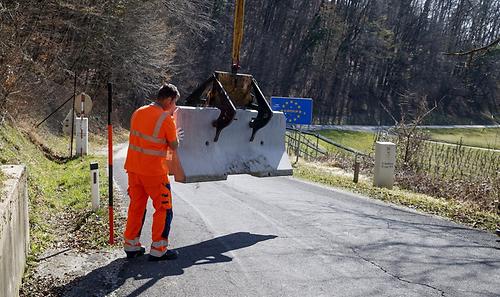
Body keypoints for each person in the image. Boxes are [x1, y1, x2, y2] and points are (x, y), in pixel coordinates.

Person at [123, 83, 183, 261]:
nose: (174, 108)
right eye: (174, 104)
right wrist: (176, 133)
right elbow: (174, 145)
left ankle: (131, 245)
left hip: (133, 169)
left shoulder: (138, 111)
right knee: (164, 208)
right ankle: (159, 249)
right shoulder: (166, 119)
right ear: (169, 100)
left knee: (136, 207)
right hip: (154, 173)